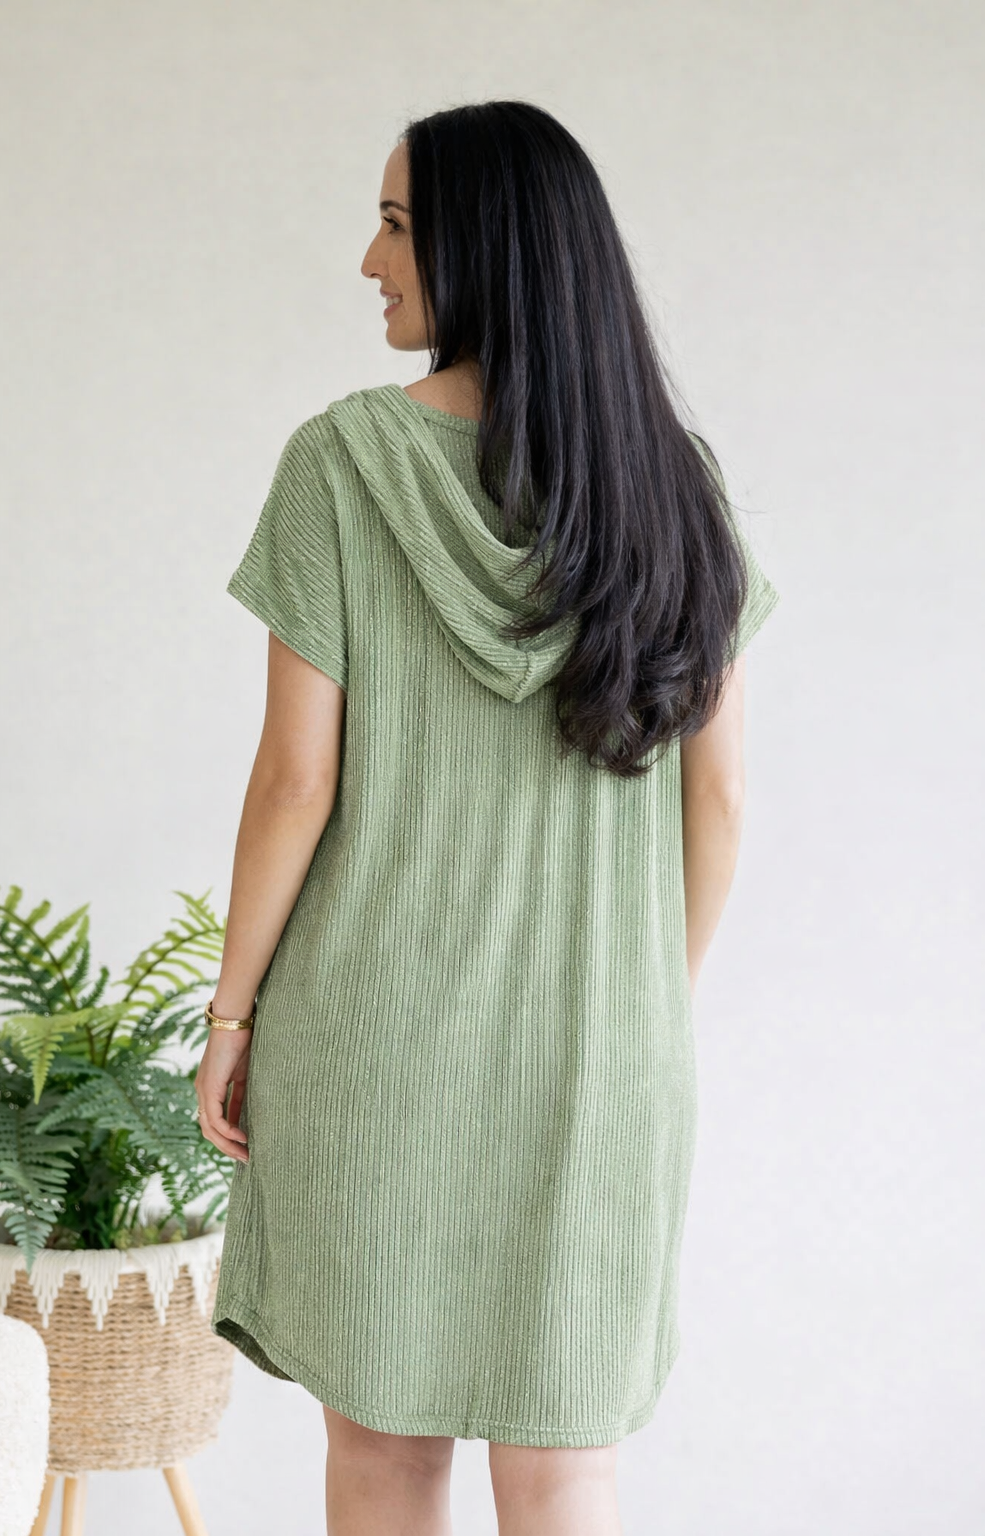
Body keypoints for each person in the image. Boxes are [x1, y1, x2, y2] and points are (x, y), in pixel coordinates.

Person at [196, 100, 780, 1536]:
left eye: (396, 226)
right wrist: (641, 1002)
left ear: (487, 246)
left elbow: (296, 781)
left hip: (372, 1039)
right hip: (599, 1058)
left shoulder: (345, 463)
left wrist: (231, 1013)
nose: (369, 261)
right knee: (566, 1458)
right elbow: (720, 793)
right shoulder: (674, 485)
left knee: (385, 1452)